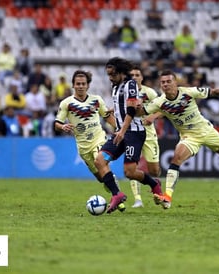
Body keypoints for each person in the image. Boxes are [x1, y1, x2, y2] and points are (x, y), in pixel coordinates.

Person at [139, 70, 219, 209]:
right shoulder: (159, 102)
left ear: (175, 82)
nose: (165, 84)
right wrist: (128, 105)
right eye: (163, 82)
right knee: (176, 159)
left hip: (207, 131)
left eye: (169, 81)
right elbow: (142, 111)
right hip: (189, 137)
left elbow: (216, 92)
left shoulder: (188, 92)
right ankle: (167, 196)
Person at [94, 57, 162, 214]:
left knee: (129, 172)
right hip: (121, 131)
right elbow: (123, 106)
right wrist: (115, 110)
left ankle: (154, 184)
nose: (110, 77)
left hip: (133, 133)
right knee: (99, 161)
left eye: (112, 74)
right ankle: (117, 194)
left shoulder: (130, 84)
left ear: (121, 72)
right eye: (108, 74)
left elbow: (131, 110)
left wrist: (122, 131)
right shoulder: (115, 87)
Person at [54, 70, 125, 211]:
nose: (80, 86)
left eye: (83, 84)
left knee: (101, 162)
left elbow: (107, 116)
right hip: (83, 146)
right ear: (73, 85)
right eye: (78, 84)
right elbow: (56, 123)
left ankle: (118, 197)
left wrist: (119, 129)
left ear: (88, 85)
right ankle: (115, 191)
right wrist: (63, 126)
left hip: (99, 139)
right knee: (101, 177)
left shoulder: (96, 100)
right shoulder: (66, 103)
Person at [128, 66, 161, 208]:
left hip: (148, 133)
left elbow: (164, 107)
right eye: (132, 75)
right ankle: (138, 199)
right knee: (131, 167)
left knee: (154, 170)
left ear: (142, 78)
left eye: (137, 75)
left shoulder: (150, 92)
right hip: (132, 133)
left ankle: (155, 184)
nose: (134, 77)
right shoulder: (125, 92)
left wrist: (153, 117)